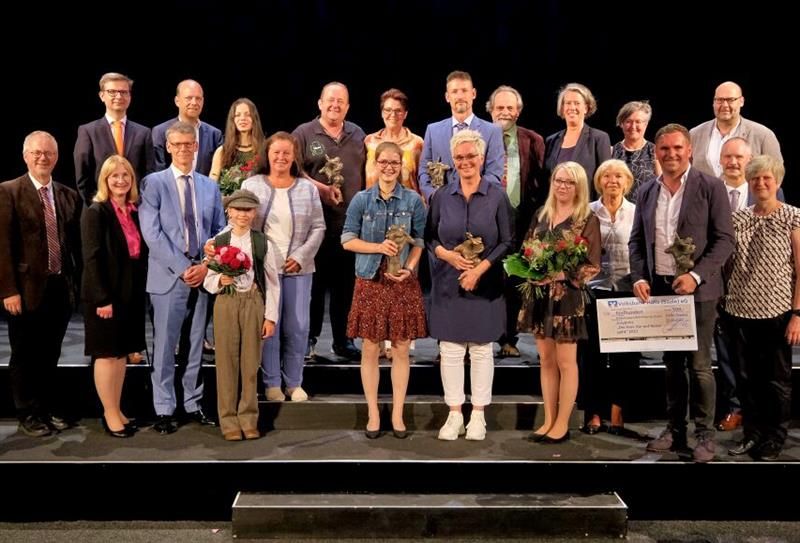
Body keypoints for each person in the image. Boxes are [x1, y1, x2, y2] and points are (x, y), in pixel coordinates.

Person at [629, 123, 735, 463]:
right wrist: (639, 277)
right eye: (664, 149)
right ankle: (675, 430)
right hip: (660, 289)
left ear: (689, 150)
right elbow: (637, 241)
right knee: (672, 364)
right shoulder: (646, 190)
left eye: (677, 148)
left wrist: (695, 275)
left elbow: (724, 240)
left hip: (698, 292)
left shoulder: (710, 186)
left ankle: (704, 435)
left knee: (700, 365)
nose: (671, 154)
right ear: (656, 152)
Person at [425, 130, 513, 441]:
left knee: (480, 350)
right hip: (448, 283)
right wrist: (447, 255)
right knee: (449, 350)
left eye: (470, 157)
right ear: (453, 161)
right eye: (459, 157)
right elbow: (429, 237)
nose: (465, 162)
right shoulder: (441, 196)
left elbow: (507, 241)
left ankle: (478, 415)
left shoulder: (496, 195)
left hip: (485, 284)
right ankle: (453, 414)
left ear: (482, 158)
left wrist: (482, 269)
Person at [139, 121, 226, 434]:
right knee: (164, 346)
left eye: (189, 144)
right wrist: (182, 267)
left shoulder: (209, 186)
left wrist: (205, 265)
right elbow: (151, 232)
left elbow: (219, 230)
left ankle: (192, 402)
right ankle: (164, 408)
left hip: (202, 276)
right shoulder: (153, 183)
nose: (184, 150)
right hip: (168, 276)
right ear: (168, 147)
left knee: (194, 344)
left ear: (196, 147)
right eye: (178, 144)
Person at [342, 141, 428, 439]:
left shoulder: (413, 201)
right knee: (370, 347)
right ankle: (373, 412)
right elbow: (347, 239)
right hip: (370, 279)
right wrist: (378, 247)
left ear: (401, 166)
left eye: (395, 163)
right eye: (384, 162)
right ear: (376, 164)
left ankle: (398, 413)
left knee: (401, 347)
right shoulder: (362, 200)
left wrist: (411, 267)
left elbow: (419, 240)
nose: (389, 167)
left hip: (402, 281)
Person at [0, 131, 82, 437]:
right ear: (25, 156)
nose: (42, 158)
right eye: (36, 153)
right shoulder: (8, 191)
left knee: (51, 352)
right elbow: (3, 247)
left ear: (56, 157)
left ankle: (46, 407)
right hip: (24, 290)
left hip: (59, 288)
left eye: (48, 153)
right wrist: (8, 290)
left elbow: (73, 244)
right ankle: (28, 412)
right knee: (24, 353)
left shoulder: (67, 194)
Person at [723, 155, 800, 461]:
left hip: (778, 311)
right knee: (745, 379)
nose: (761, 183)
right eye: (755, 178)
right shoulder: (738, 218)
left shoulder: (793, 216)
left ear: (777, 181)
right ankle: (752, 434)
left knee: (776, 380)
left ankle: (774, 436)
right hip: (739, 309)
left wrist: (797, 314)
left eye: (767, 178)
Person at [519, 162, 601, 444]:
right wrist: (532, 270)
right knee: (546, 360)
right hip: (540, 297)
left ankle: (563, 423)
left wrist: (561, 273)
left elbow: (592, 265)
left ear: (579, 187)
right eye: (559, 180)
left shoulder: (587, 219)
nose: (563, 186)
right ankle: (548, 419)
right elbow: (525, 249)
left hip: (567, 299)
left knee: (567, 362)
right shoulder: (541, 215)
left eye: (569, 182)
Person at [241, 132, 325, 401]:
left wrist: (301, 255)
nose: (281, 157)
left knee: (298, 326)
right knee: (269, 326)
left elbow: (318, 227)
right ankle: (272, 383)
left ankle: (294, 382)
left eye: (286, 153)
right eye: (276, 152)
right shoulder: (252, 184)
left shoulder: (306, 188)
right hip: (263, 270)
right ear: (267, 154)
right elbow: (241, 225)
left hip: (299, 269)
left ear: (294, 157)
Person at [293, 82, 365, 361]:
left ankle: (343, 340)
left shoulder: (358, 134)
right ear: (320, 103)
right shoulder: (304, 133)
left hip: (349, 226)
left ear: (347, 106)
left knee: (346, 287)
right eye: (330, 100)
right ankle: (308, 340)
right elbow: (293, 171)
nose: (335, 105)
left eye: (341, 102)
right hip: (313, 226)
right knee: (314, 287)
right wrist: (320, 189)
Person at [203, 189, 280, 441]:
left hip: (253, 301)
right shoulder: (219, 241)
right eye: (238, 210)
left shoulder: (262, 242)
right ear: (229, 211)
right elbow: (208, 278)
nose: (243, 215)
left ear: (255, 213)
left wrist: (270, 317)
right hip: (227, 301)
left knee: (250, 362)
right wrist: (219, 280)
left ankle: (248, 417)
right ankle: (228, 420)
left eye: (248, 210)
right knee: (226, 361)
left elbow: (272, 281)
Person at [81, 155, 146, 438]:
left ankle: (117, 408)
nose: (120, 180)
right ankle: (109, 413)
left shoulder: (132, 211)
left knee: (120, 354)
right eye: (114, 176)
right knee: (106, 355)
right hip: (105, 295)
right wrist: (101, 298)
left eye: (125, 176)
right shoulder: (96, 212)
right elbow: (91, 258)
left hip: (128, 293)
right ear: (104, 181)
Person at [486, 84, 546, 358]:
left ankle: (509, 337)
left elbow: (541, 182)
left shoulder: (532, 139)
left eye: (510, 108)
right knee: (488, 279)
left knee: (514, 280)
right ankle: (485, 335)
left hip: (520, 220)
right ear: (490, 110)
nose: (505, 112)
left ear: (518, 111)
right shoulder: (479, 136)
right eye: (500, 107)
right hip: (485, 221)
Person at [582, 159, 639, 436]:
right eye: (607, 176)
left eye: (618, 176)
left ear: (627, 182)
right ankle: (593, 413)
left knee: (625, 358)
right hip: (595, 291)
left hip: (628, 292)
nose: (612, 181)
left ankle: (618, 414)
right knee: (593, 355)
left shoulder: (637, 213)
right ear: (599, 181)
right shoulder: (588, 212)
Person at [418, 71, 504, 203]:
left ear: (473, 94)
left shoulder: (493, 131)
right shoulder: (433, 130)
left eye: (464, 90)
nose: (460, 96)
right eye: (454, 91)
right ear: (447, 96)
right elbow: (423, 171)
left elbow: (494, 174)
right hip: (441, 207)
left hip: (479, 205)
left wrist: (470, 195)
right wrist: (435, 197)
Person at [75, 72, 155, 206]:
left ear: (130, 96)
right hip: (100, 209)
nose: (119, 96)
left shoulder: (144, 133)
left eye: (124, 92)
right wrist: (97, 206)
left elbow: (149, 174)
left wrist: (139, 204)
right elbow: (82, 177)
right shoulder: (88, 131)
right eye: (112, 91)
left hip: (135, 208)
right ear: (102, 96)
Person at [689, 81, 782, 178]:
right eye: (719, 100)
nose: (725, 105)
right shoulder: (695, 134)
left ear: (741, 101)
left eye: (731, 100)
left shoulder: (763, 135)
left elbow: (777, 174)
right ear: (713, 102)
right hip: (703, 194)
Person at [543, 83, 611, 197]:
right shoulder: (551, 141)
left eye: (577, 103)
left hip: (586, 209)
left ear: (586, 108)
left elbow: (604, 179)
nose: (572, 107)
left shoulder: (599, 138)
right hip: (555, 209)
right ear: (562, 108)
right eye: (568, 103)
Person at [152, 79, 223, 175]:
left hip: (204, 189)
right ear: (177, 101)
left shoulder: (214, 135)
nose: (194, 102)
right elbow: (158, 170)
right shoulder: (160, 132)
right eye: (189, 98)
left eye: (198, 98)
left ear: (203, 101)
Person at [364, 88, 424, 193]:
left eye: (398, 111)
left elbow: (423, 179)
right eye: (388, 110)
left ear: (405, 114)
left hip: (408, 207)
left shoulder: (416, 143)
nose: (393, 115)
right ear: (382, 113)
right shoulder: (369, 142)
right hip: (372, 207)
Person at [209, 98, 266, 195]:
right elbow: (211, 183)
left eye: (247, 114)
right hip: (228, 205)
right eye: (237, 115)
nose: (242, 118)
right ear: (233, 120)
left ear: (254, 118)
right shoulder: (222, 151)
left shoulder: (265, 150)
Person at [611, 100, 660, 203]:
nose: (633, 126)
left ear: (645, 124)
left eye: (638, 122)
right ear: (621, 124)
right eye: (628, 121)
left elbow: (662, 186)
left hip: (646, 212)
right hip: (618, 213)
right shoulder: (611, 151)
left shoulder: (655, 151)